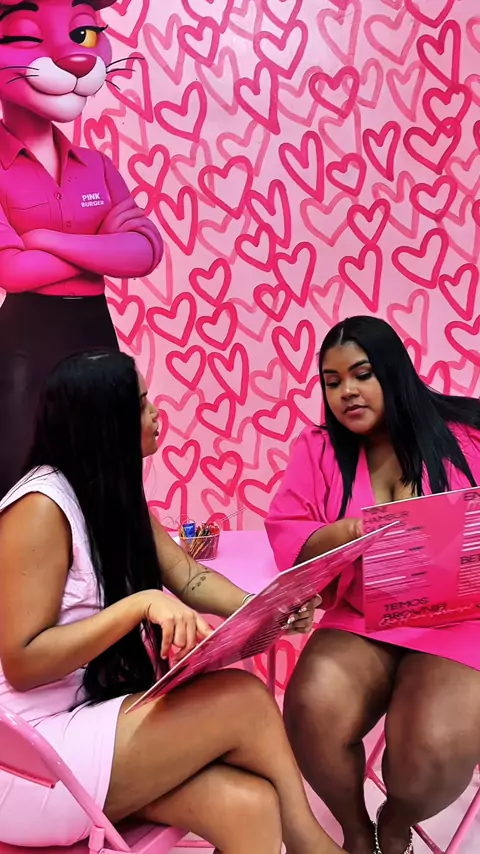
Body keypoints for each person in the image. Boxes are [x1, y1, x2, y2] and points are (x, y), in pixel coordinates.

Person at [0, 350, 343, 854]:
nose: (156, 413)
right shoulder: (40, 508)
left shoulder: (109, 490)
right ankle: (314, 847)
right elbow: (22, 662)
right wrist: (138, 606)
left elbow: (189, 576)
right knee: (244, 700)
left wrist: (268, 606)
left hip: (84, 727)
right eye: (141, 404)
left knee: (246, 806)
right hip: (27, 764)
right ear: (106, 421)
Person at [265, 316, 480, 854]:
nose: (347, 392)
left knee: (430, 751)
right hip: (364, 617)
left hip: (461, 621)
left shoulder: (467, 435)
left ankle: (396, 821)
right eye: (332, 381)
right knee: (311, 707)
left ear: (392, 371)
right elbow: (289, 534)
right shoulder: (317, 449)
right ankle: (357, 832)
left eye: (362, 374)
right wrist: (345, 532)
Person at [0, 0, 163, 497]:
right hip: (25, 336)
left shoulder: (96, 166)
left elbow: (145, 252)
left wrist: (46, 240)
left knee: (109, 465)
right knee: (17, 468)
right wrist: (101, 244)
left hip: (94, 327)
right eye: (26, 35)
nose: (75, 58)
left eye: (84, 34)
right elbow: (13, 272)